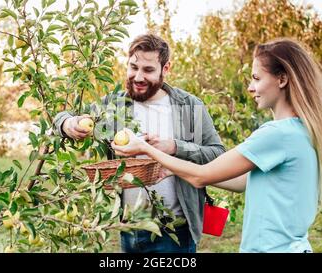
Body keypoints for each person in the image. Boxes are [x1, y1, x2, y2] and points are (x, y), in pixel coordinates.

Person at [112, 38, 322, 253]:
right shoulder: (300, 130)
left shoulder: (277, 134)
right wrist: (172, 169)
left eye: (257, 79)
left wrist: (145, 148)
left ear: (282, 80)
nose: (250, 88)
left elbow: (201, 176)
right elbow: (241, 181)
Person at [53, 34, 225, 253]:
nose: (138, 77)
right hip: (129, 229)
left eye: (148, 70)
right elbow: (62, 119)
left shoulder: (188, 106)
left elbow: (218, 155)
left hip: (173, 232)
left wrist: (174, 146)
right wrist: (69, 123)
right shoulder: (114, 106)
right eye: (133, 67)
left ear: (166, 68)